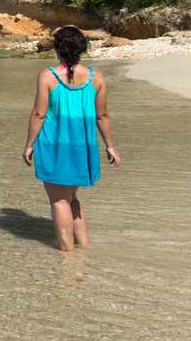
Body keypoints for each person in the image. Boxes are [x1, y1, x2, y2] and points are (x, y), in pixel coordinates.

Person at [21, 26, 122, 251]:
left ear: (57, 49)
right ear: (82, 49)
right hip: (83, 145)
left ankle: (66, 256)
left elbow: (39, 114)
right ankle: (84, 250)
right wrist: (111, 146)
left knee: (59, 200)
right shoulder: (96, 78)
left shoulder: (48, 76)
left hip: (55, 146)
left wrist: (29, 145)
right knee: (72, 199)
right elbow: (102, 115)